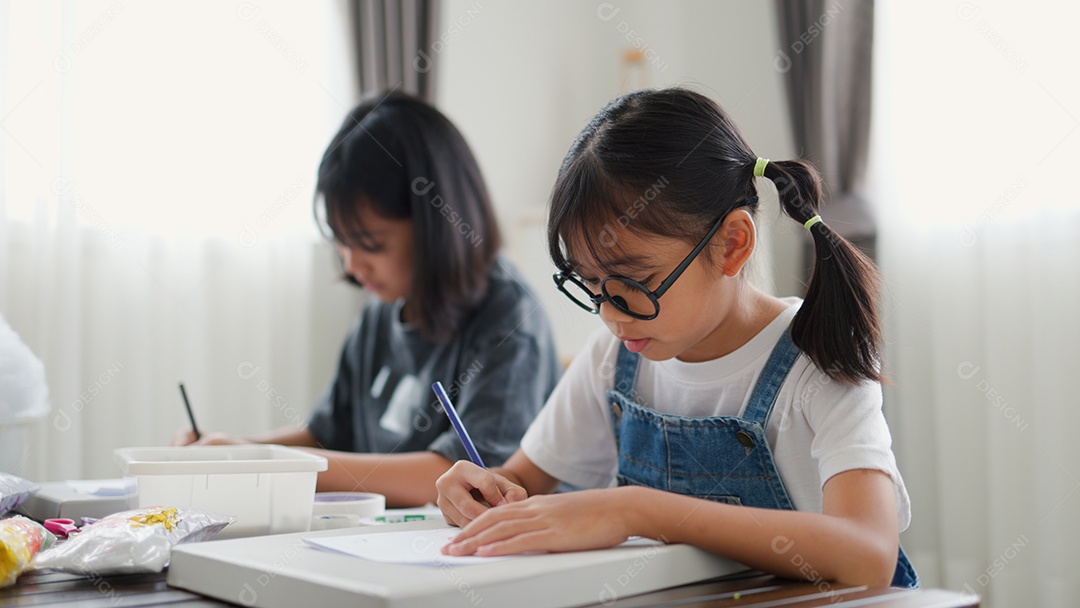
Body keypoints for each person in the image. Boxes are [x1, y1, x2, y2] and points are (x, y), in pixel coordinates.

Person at [434, 87, 919, 588]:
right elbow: (522, 481)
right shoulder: (614, 357)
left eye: (633, 283)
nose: (608, 314)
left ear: (732, 243)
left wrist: (640, 511)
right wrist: (483, 491)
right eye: (590, 285)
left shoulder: (817, 357)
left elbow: (868, 555)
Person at [174, 92, 561, 508]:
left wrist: (279, 464)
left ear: (436, 228)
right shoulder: (382, 311)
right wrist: (236, 452)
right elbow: (326, 434)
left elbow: (465, 476)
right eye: (341, 243)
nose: (353, 265)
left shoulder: (508, 318)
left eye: (371, 244)